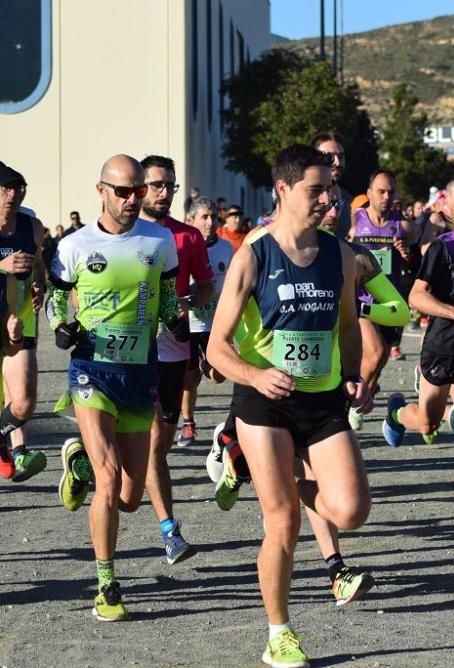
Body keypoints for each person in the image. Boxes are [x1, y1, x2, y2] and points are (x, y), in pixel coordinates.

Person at [207, 144, 371, 667]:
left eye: (330, 188)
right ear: (283, 190)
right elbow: (216, 346)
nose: (328, 198)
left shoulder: (339, 254)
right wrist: (257, 374)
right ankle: (279, 632)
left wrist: (352, 375)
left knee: (351, 509)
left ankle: (254, 469)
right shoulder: (254, 255)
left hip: (321, 401)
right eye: (315, 189)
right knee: (282, 522)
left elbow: (347, 325)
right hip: (264, 402)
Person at [50, 154, 184, 621]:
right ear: (101, 190)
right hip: (92, 372)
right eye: (123, 191)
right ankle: (107, 585)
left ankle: (80, 460)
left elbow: (166, 298)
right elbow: (52, 296)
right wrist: (60, 325)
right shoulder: (74, 245)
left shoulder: (161, 240)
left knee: (128, 497)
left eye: (138, 191)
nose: (133, 200)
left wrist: (179, 323)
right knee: (110, 483)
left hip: (139, 375)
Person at [382, 181, 454, 497]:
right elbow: (416, 298)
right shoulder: (443, 247)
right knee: (427, 426)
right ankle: (395, 413)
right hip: (441, 347)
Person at [139, 155, 214, 565]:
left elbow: (205, 289)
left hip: (175, 347)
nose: (164, 192)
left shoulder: (188, 237)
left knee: (159, 449)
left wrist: (186, 307)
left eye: (170, 185)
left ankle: (90, 457)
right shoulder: (124, 235)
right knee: (151, 445)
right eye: (156, 185)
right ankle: (170, 531)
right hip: (132, 351)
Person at [0, 162, 46, 482]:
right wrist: (2, 264)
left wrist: (39, 284)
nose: (12, 195)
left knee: (24, 402)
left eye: (18, 188)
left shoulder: (32, 227)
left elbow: (39, 264)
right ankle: (14, 450)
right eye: (6, 188)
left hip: (19, 318)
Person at [178, 197, 233, 446]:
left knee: (219, 376)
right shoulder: (181, 247)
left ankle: (204, 363)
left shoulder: (226, 248)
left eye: (213, 216)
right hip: (190, 324)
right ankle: (188, 425)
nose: (210, 222)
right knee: (188, 380)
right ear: (191, 220)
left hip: (216, 323)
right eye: (204, 217)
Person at [348, 170, 416, 372]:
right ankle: (354, 400)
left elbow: (417, 264)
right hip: (361, 301)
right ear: (369, 193)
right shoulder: (354, 223)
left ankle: (358, 400)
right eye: (381, 191)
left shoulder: (403, 226)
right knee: (376, 352)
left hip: (389, 302)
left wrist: (408, 255)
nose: (386, 197)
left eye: (391, 192)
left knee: (381, 358)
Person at [311, 131, 351, 238]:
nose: (337, 162)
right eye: (329, 156)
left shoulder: (345, 199)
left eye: (341, 156)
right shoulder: (299, 197)